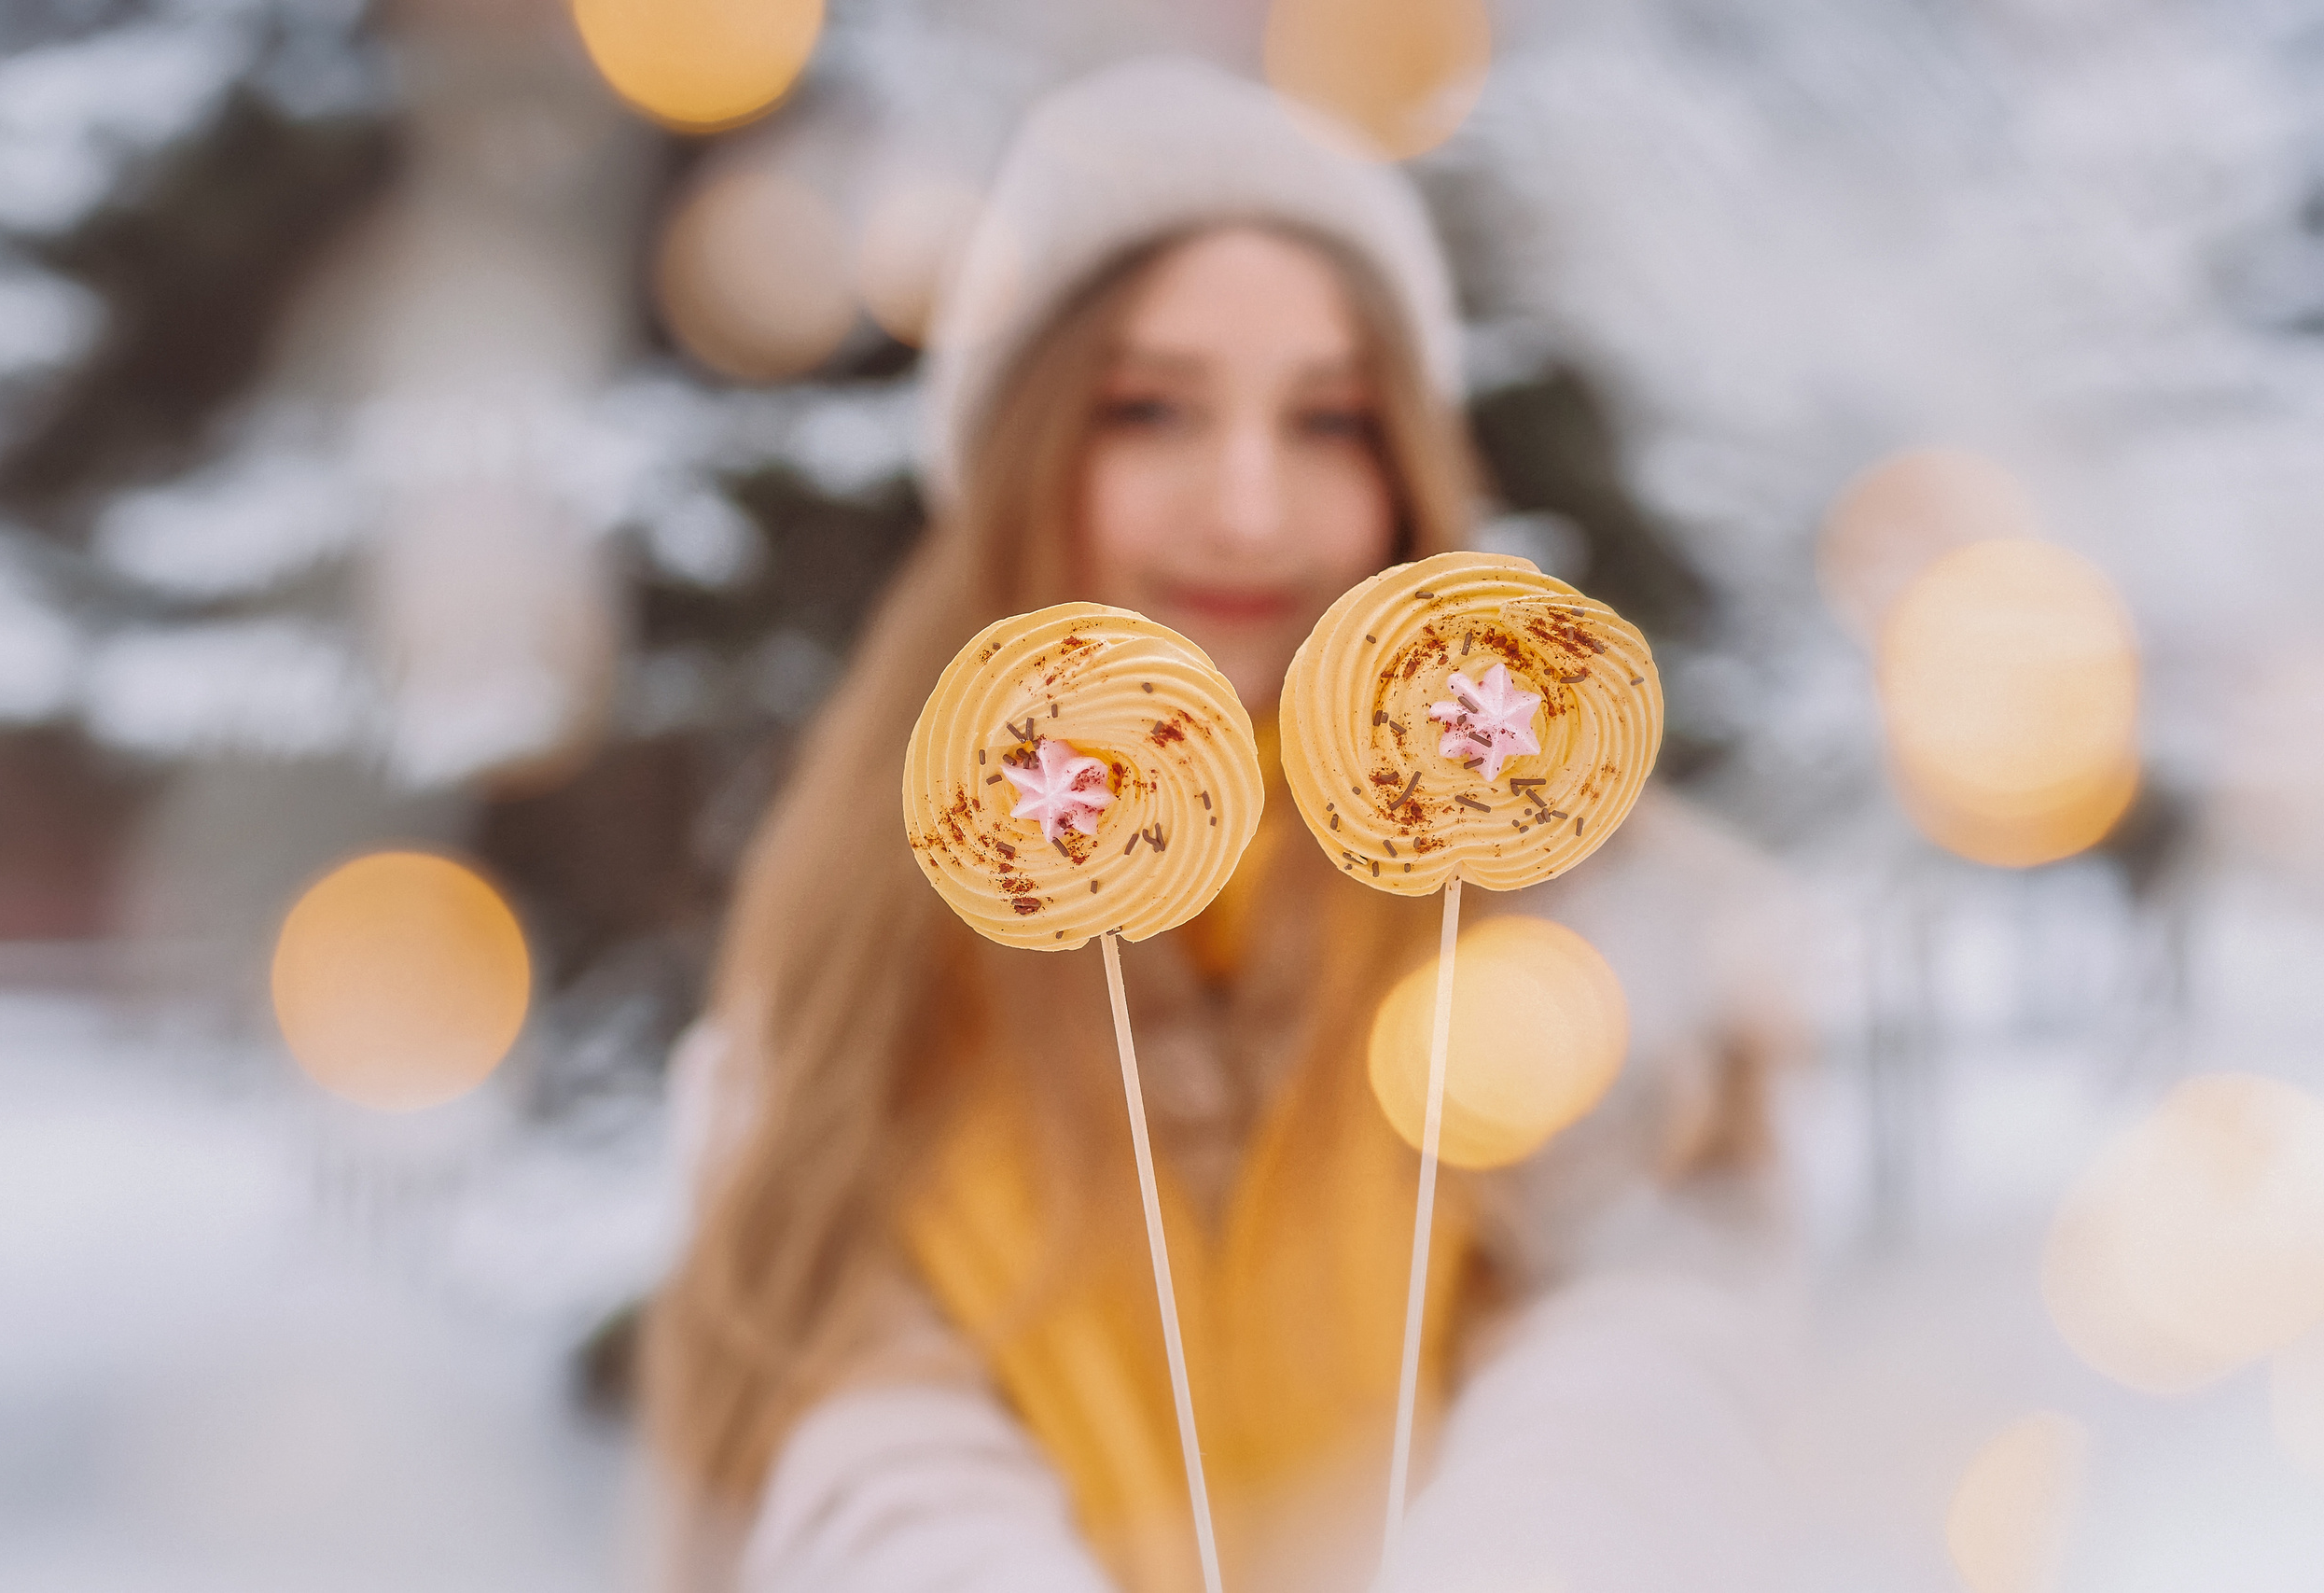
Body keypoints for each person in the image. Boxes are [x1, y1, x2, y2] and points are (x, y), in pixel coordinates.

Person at [644, 58, 1805, 1593]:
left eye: (1329, 421)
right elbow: (846, 1408)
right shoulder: (853, 943)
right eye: (1149, 411)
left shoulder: (1581, 906)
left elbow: (1653, 1329)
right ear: (1021, 453)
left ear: (1406, 469)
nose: (1248, 508)